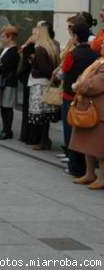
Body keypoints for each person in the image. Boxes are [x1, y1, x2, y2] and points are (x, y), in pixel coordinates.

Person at [59, 22, 99, 177]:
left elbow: (63, 71)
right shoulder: (94, 54)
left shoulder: (72, 54)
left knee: (71, 132)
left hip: (71, 97)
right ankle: (85, 167)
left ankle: (75, 166)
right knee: (85, 133)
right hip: (88, 99)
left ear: (75, 37)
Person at [70, 41, 104, 189]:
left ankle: (102, 179)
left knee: (99, 148)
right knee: (88, 145)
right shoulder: (99, 61)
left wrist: (79, 85)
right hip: (90, 108)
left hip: (99, 111)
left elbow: (94, 84)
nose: (101, 45)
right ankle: (89, 174)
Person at [27, 24, 60, 150]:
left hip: (40, 83)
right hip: (46, 83)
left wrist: (34, 64)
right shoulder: (51, 47)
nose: (34, 36)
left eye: (36, 33)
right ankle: (44, 139)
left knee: (40, 115)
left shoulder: (40, 49)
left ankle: (43, 140)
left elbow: (44, 69)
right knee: (44, 115)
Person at [0, 25, 20, 140]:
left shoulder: (14, 51)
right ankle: (4, 129)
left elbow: (6, 67)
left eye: (3, 36)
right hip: (2, 81)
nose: (2, 38)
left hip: (8, 81)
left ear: (10, 37)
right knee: (2, 107)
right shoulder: (5, 49)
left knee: (7, 107)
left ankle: (7, 131)